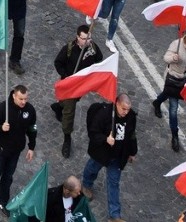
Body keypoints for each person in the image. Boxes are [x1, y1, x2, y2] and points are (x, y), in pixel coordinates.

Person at [0, 84, 37, 206]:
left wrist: (31, 147)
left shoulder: (30, 110)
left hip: (16, 150)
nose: (24, 102)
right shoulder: (2, 108)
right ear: (14, 96)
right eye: (21, 99)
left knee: (8, 177)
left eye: (26, 99)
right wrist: (1, 127)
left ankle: (2, 201)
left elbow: (32, 129)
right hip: (1, 148)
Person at [81, 93, 138, 222]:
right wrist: (105, 139)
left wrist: (132, 152)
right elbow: (93, 132)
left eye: (128, 109)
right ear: (117, 104)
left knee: (114, 183)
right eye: (123, 109)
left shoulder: (131, 116)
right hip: (102, 153)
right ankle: (86, 183)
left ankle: (114, 215)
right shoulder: (104, 115)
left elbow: (132, 135)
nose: (126, 112)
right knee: (92, 168)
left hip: (118, 156)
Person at [52, 24, 104, 158]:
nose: (88, 41)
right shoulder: (69, 49)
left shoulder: (92, 48)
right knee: (69, 111)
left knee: (70, 102)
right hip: (70, 85)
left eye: (89, 38)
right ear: (78, 38)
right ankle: (67, 138)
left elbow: (99, 59)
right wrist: (66, 76)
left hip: (83, 85)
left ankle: (58, 106)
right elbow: (58, 62)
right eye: (84, 38)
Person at [153, 27, 186, 152]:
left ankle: (157, 102)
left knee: (166, 94)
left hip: (183, 80)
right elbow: (166, 57)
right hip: (172, 77)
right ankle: (175, 135)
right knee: (173, 108)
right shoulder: (176, 44)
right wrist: (173, 58)